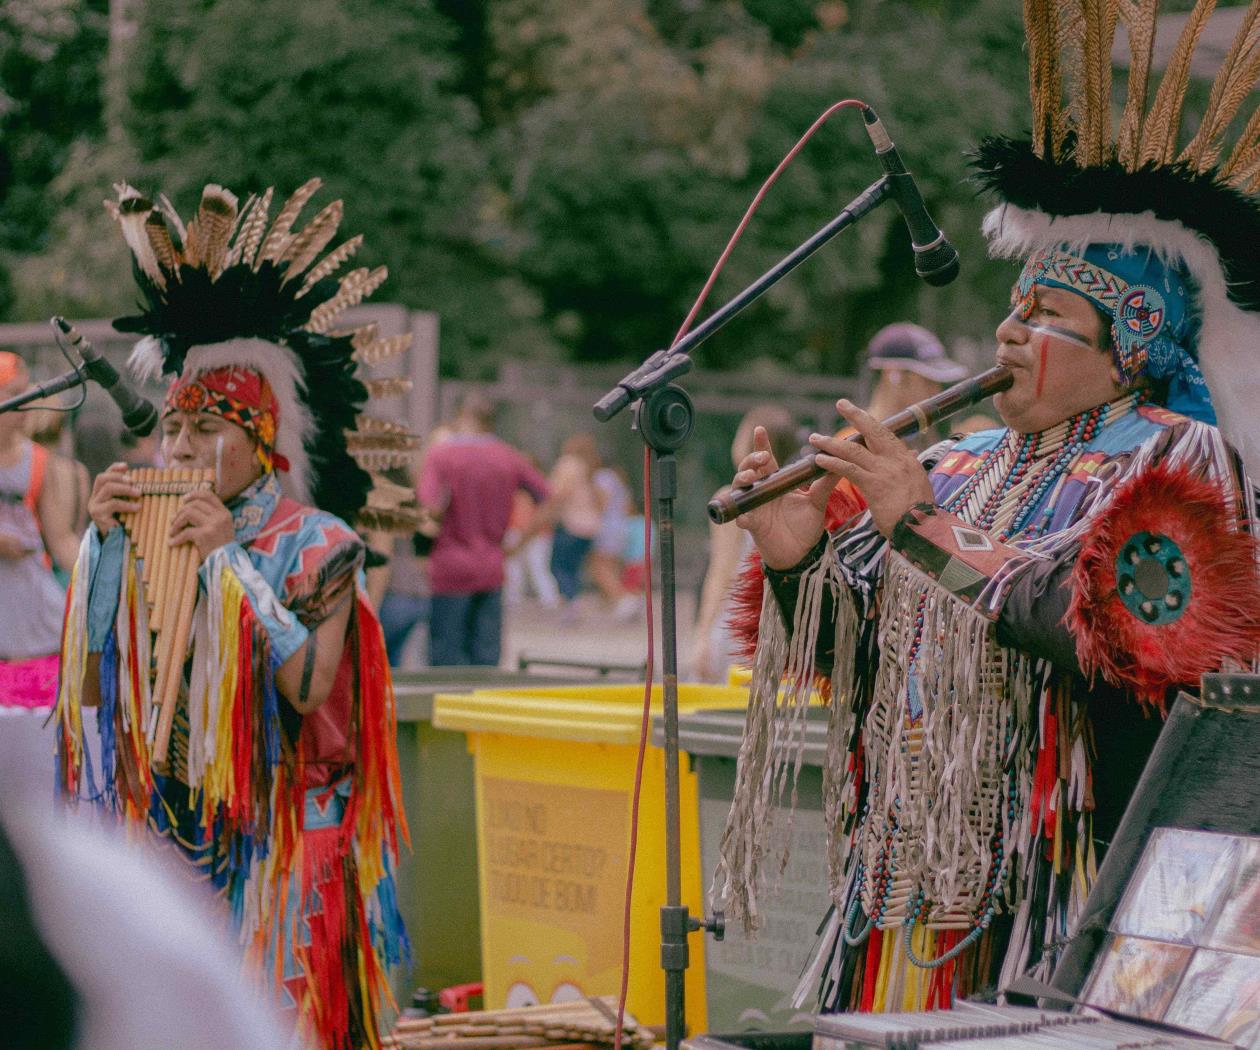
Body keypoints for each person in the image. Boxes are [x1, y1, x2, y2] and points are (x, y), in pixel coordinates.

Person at [711, 6, 1260, 1016]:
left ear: (1130, 345)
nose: (1009, 330)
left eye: (1047, 316)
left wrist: (920, 527)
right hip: (908, 885)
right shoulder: (958, 460)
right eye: (1014, 306)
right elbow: (867, 659)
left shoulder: (1182, 462)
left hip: (1071, 898)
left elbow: (1124, 638)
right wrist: (798, 563)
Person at [56, 179, 413, 1049]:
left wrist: (230, 564)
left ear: (262, 443)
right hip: (181, 815)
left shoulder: (320, 541)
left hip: (291, 825)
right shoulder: (149, 528)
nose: (178, 449)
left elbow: (306, 686)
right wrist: (100, 555)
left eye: (204, 432)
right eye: (172, 432)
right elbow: (101, 693)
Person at [418, 392, 550, 665]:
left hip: (450, 568)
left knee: (445, 659)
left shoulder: (441, 455)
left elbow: (428, 506)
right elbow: (548, 499)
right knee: (486, 660)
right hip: (492, 565)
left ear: (461, 416)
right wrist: (518, 542)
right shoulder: (508, 456)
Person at [689, 405, 799, 683]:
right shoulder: (795, 498)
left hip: (736, 617)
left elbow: (722, 570)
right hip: (777, 620)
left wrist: (702, 634)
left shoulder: (730, 499)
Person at [0, 353, 82, 711]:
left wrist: (93, 576)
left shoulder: (39, 461)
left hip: (33, 603)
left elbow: (60, 536)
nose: (22, 405)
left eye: (24, 393)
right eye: (12, 395)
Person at [546, 433, 604, 612]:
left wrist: (549, 511)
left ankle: (569, 600)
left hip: (570, 524)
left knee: (557, 566)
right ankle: (572, 599)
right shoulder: (590, 468)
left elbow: (559, 491)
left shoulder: (568, 464)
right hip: (590, 526)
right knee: (574, 567)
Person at [588, 462, 638, 621]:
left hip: (606, 526)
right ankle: (613, 604)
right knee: (612, 567)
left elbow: (602, 502)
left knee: (598, 567)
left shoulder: (602, 477)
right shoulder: (619, 482)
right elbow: (627, 506)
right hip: (621, 525)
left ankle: (625, 599)